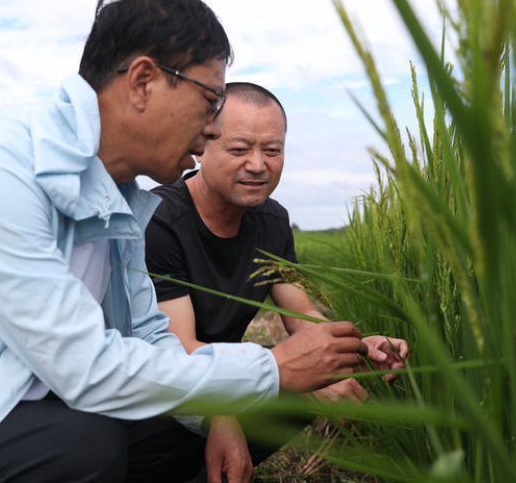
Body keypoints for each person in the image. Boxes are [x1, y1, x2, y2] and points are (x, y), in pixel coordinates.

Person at [0, 0, 374, 482]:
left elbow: (153, 339)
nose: (210, 133)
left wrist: (223, 406)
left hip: (34, 408)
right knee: (81, 445)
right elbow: (86, 367)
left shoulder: (121, 201)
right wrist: (271, 370)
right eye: (209, 103)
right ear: (142, 81)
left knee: (157, 423)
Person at [145, 81, 411, 482]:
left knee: (316, 368)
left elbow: (300, 310)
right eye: (239, 149)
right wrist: (223, 411)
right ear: (202, 146)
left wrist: (351, 350)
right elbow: (178, 351)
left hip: (225, 380)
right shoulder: (162, 221)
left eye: (272, 150)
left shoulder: (271, 221)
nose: (258, 164)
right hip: (158, 392)